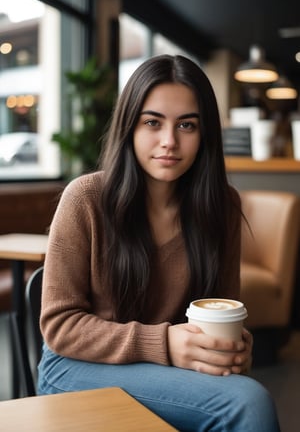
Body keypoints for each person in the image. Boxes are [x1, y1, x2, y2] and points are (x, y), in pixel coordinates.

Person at [38, 54, 281, 431]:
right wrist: (164, 343)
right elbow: (60, 326)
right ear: (129, 127)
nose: (169, 141)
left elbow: (223, 307)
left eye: (186, 125)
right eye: (152, 122)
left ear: (205, 135)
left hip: (162, 368)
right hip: (74, 365)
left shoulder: (222, 206)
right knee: (245, 403)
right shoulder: (85, 198)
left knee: (241, 392)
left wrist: (232, 347)